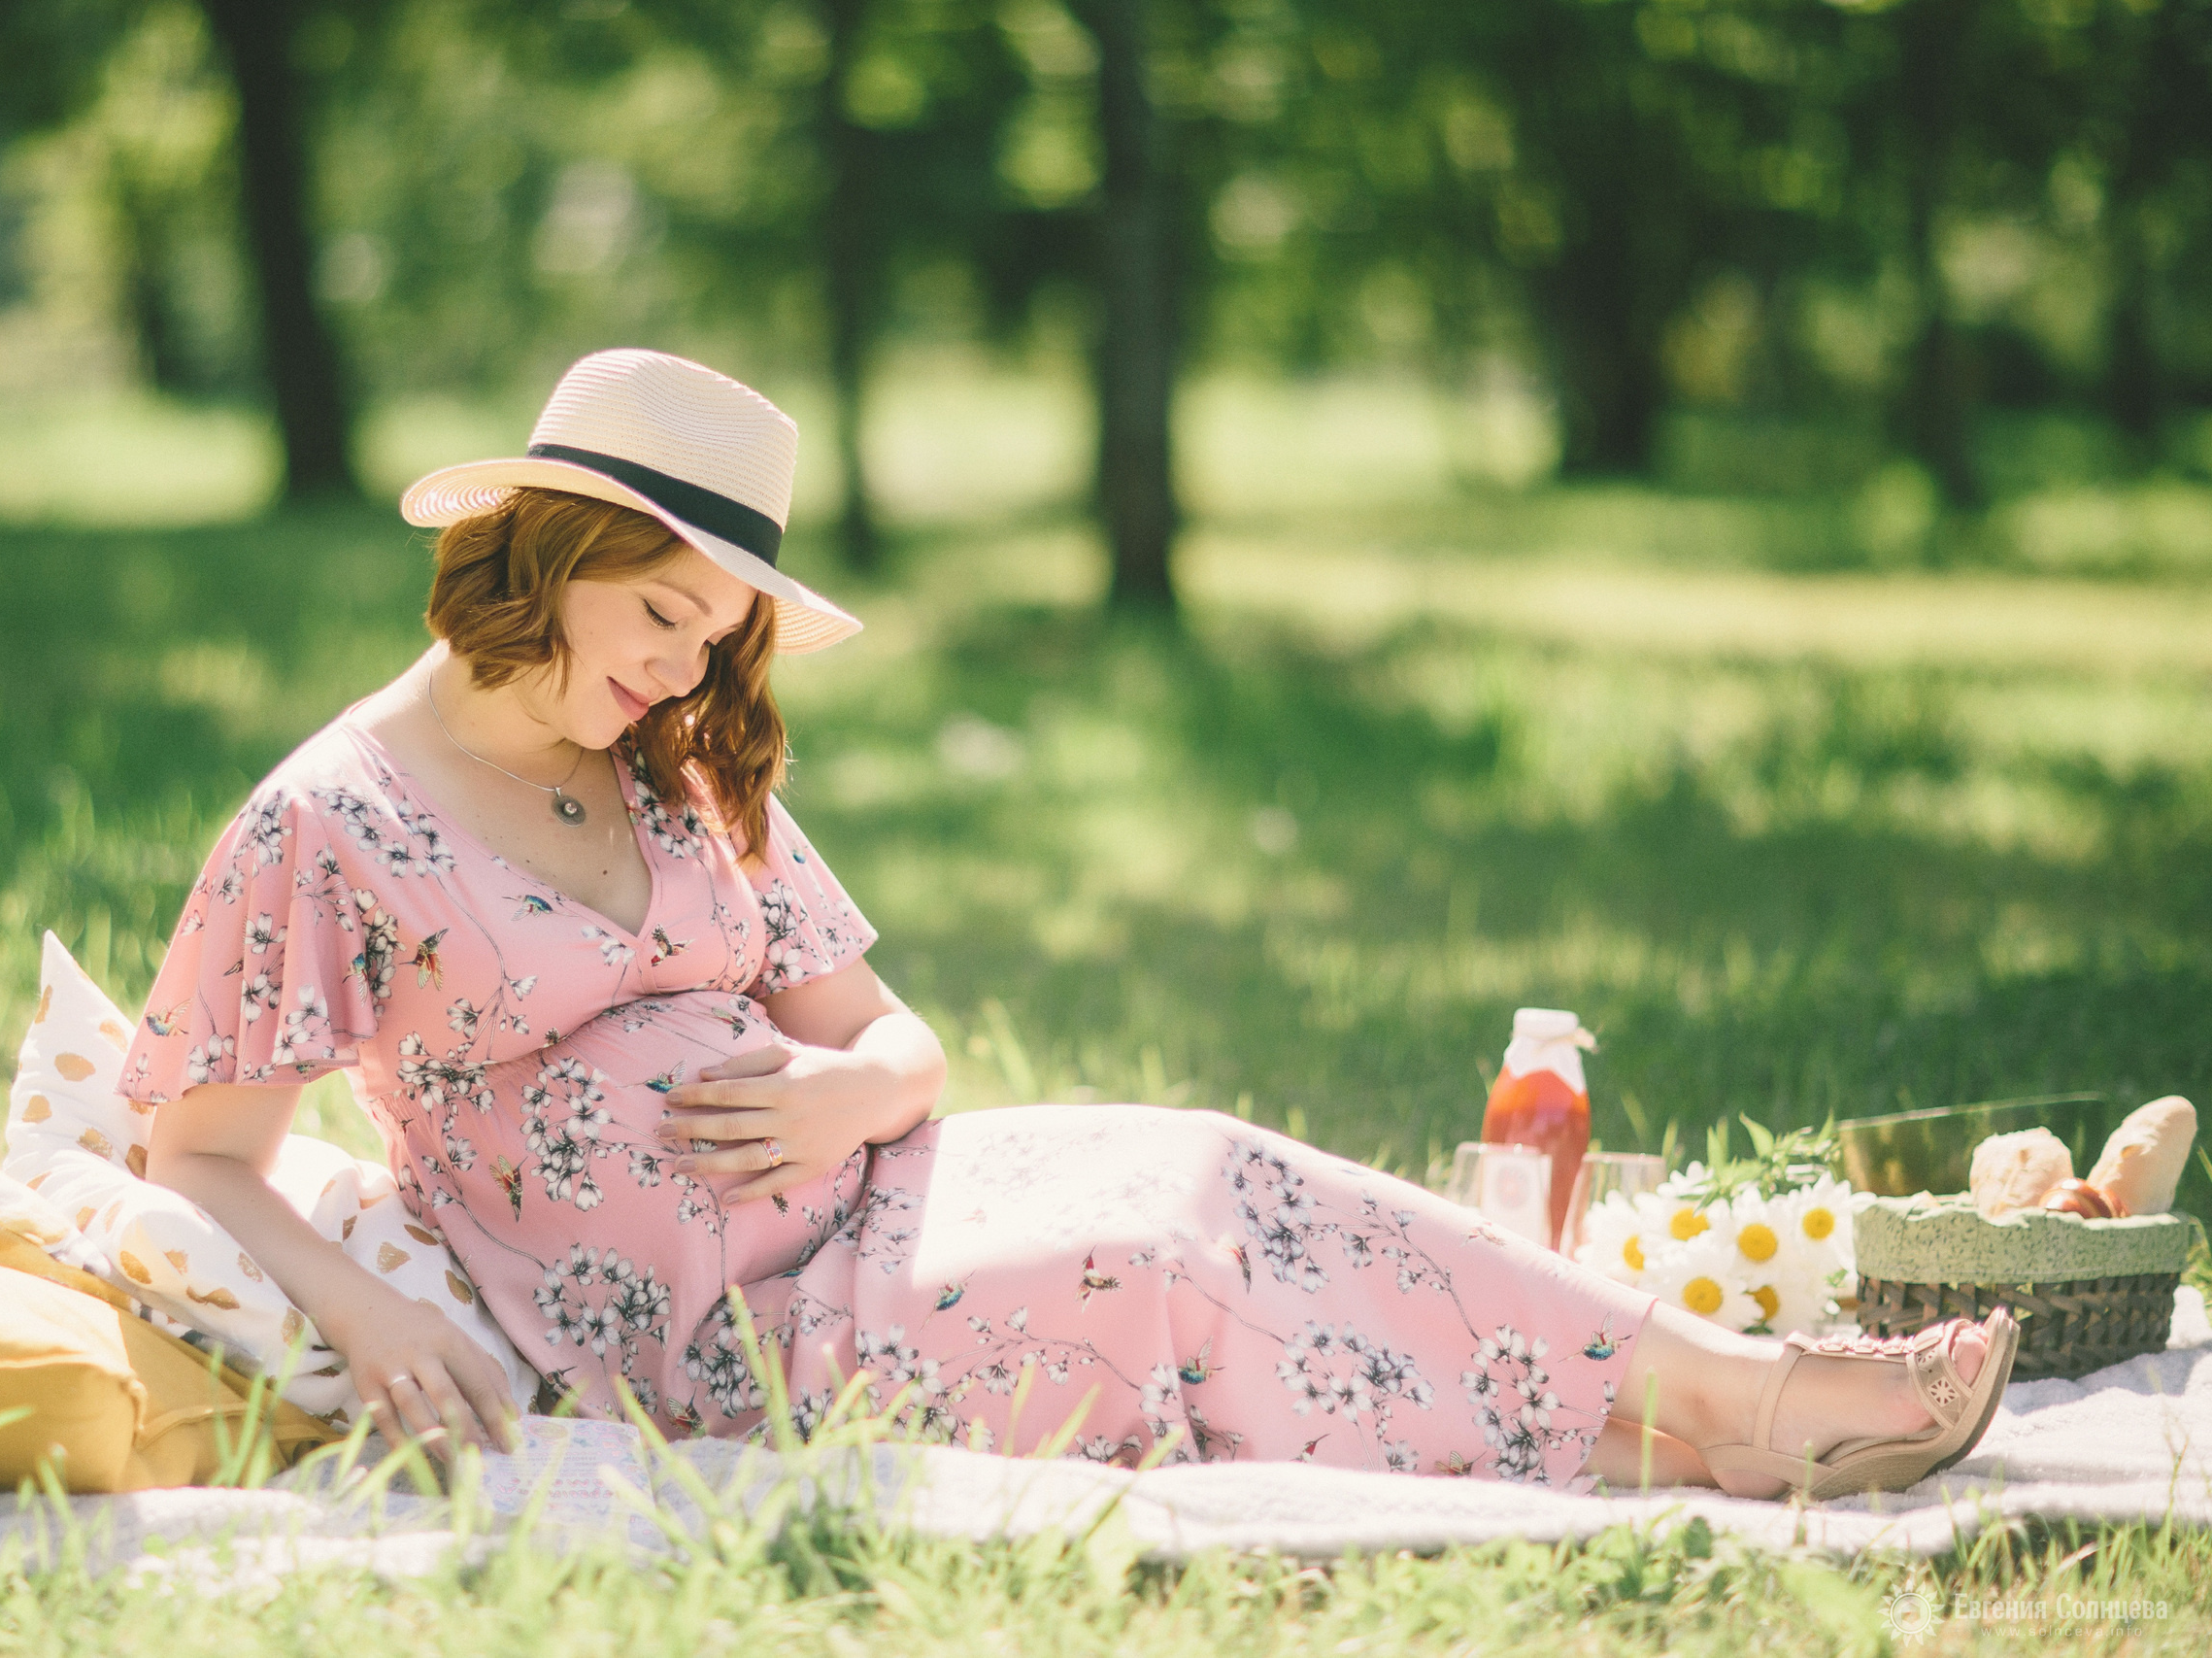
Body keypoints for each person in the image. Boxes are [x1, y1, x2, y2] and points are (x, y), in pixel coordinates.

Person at [118, 349, 2015, 1501]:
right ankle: (1729, 1423)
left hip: (881, 1198)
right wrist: (368, 1307)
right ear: (547, 553)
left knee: (1209, 1165)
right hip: (719, 1339)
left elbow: (901, 1041)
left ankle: (1733, 1408)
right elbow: (193, 1155)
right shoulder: (331, 822)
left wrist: (849, 1097)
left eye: (717, 636)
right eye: (663, 618)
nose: (687, 672)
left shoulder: (674, 763)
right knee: (1153, 1272)